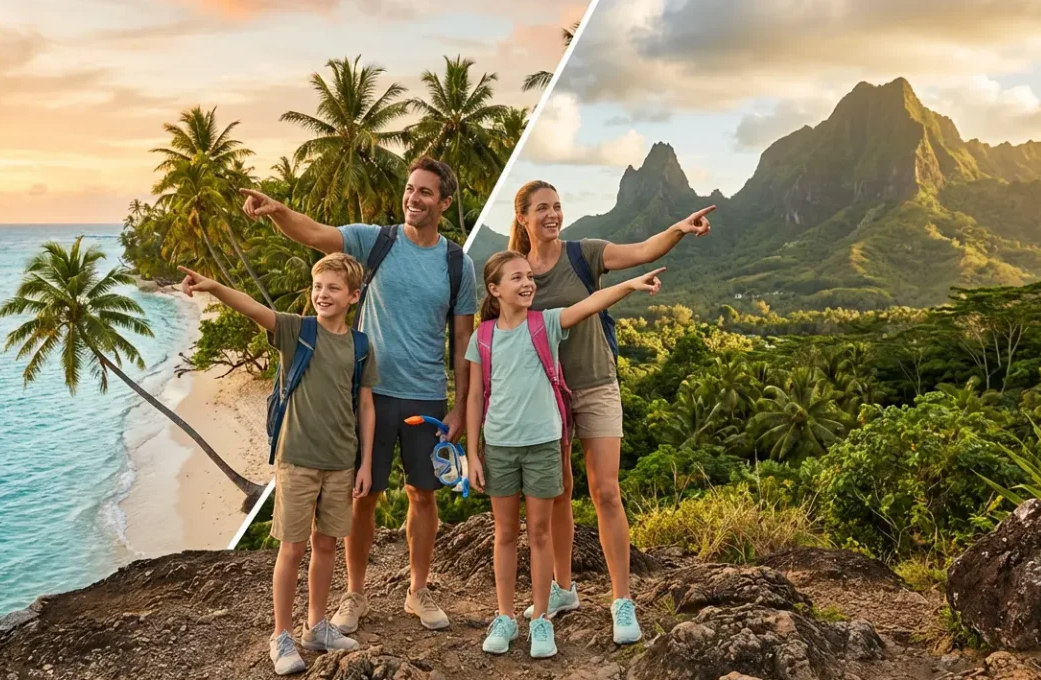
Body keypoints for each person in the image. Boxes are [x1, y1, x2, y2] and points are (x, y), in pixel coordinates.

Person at [239, 157, 477, 633]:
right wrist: (278, 210)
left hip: (426, 395)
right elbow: (315, 235)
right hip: (369, 392)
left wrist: (460, 408)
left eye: (426, 192)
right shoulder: (377, 240)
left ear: (445, 203)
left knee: (423, 496)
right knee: (362, 497)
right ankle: (354, 595)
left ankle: (418, 591)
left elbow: (463, 344)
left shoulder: (458, 264)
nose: (413, 198)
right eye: (410, 189)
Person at [506, 180, 713, 644]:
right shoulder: (517, 272)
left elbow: (641, 250)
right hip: (545, 393)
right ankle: (562, 589)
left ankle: (622, 601)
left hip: (596, 383)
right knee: (557, 490)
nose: (552, 215)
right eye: (542, 209)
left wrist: (678, 229)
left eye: (557, 206)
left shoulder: (585, 253)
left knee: (606, 491)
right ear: (522, 217)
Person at [177, 254, 378, 676]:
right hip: (297, 459)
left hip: (341, 461)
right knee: (292, 547)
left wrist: (366, 463)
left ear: (353, 296)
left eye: (333, 288)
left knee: (326, 545)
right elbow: (252, 307)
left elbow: (364, 404)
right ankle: (281, 634)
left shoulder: (360, 346)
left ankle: (316, 627)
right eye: (318, 287)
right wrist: (213, 287)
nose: (322, 295)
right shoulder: (296, 330)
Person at [466, 250, 664, 659]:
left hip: (543, 444)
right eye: (516, 278)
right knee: (504, 534)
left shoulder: (546, 323)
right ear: (494, 289)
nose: (526, 283)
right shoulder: (482, 336)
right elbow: (472, 398)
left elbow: (589, 304)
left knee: (539, 533)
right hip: (500, 446)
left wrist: (627, 285)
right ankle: (504, 616)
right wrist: (472, 453)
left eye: (528, 277)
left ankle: (541, 617)